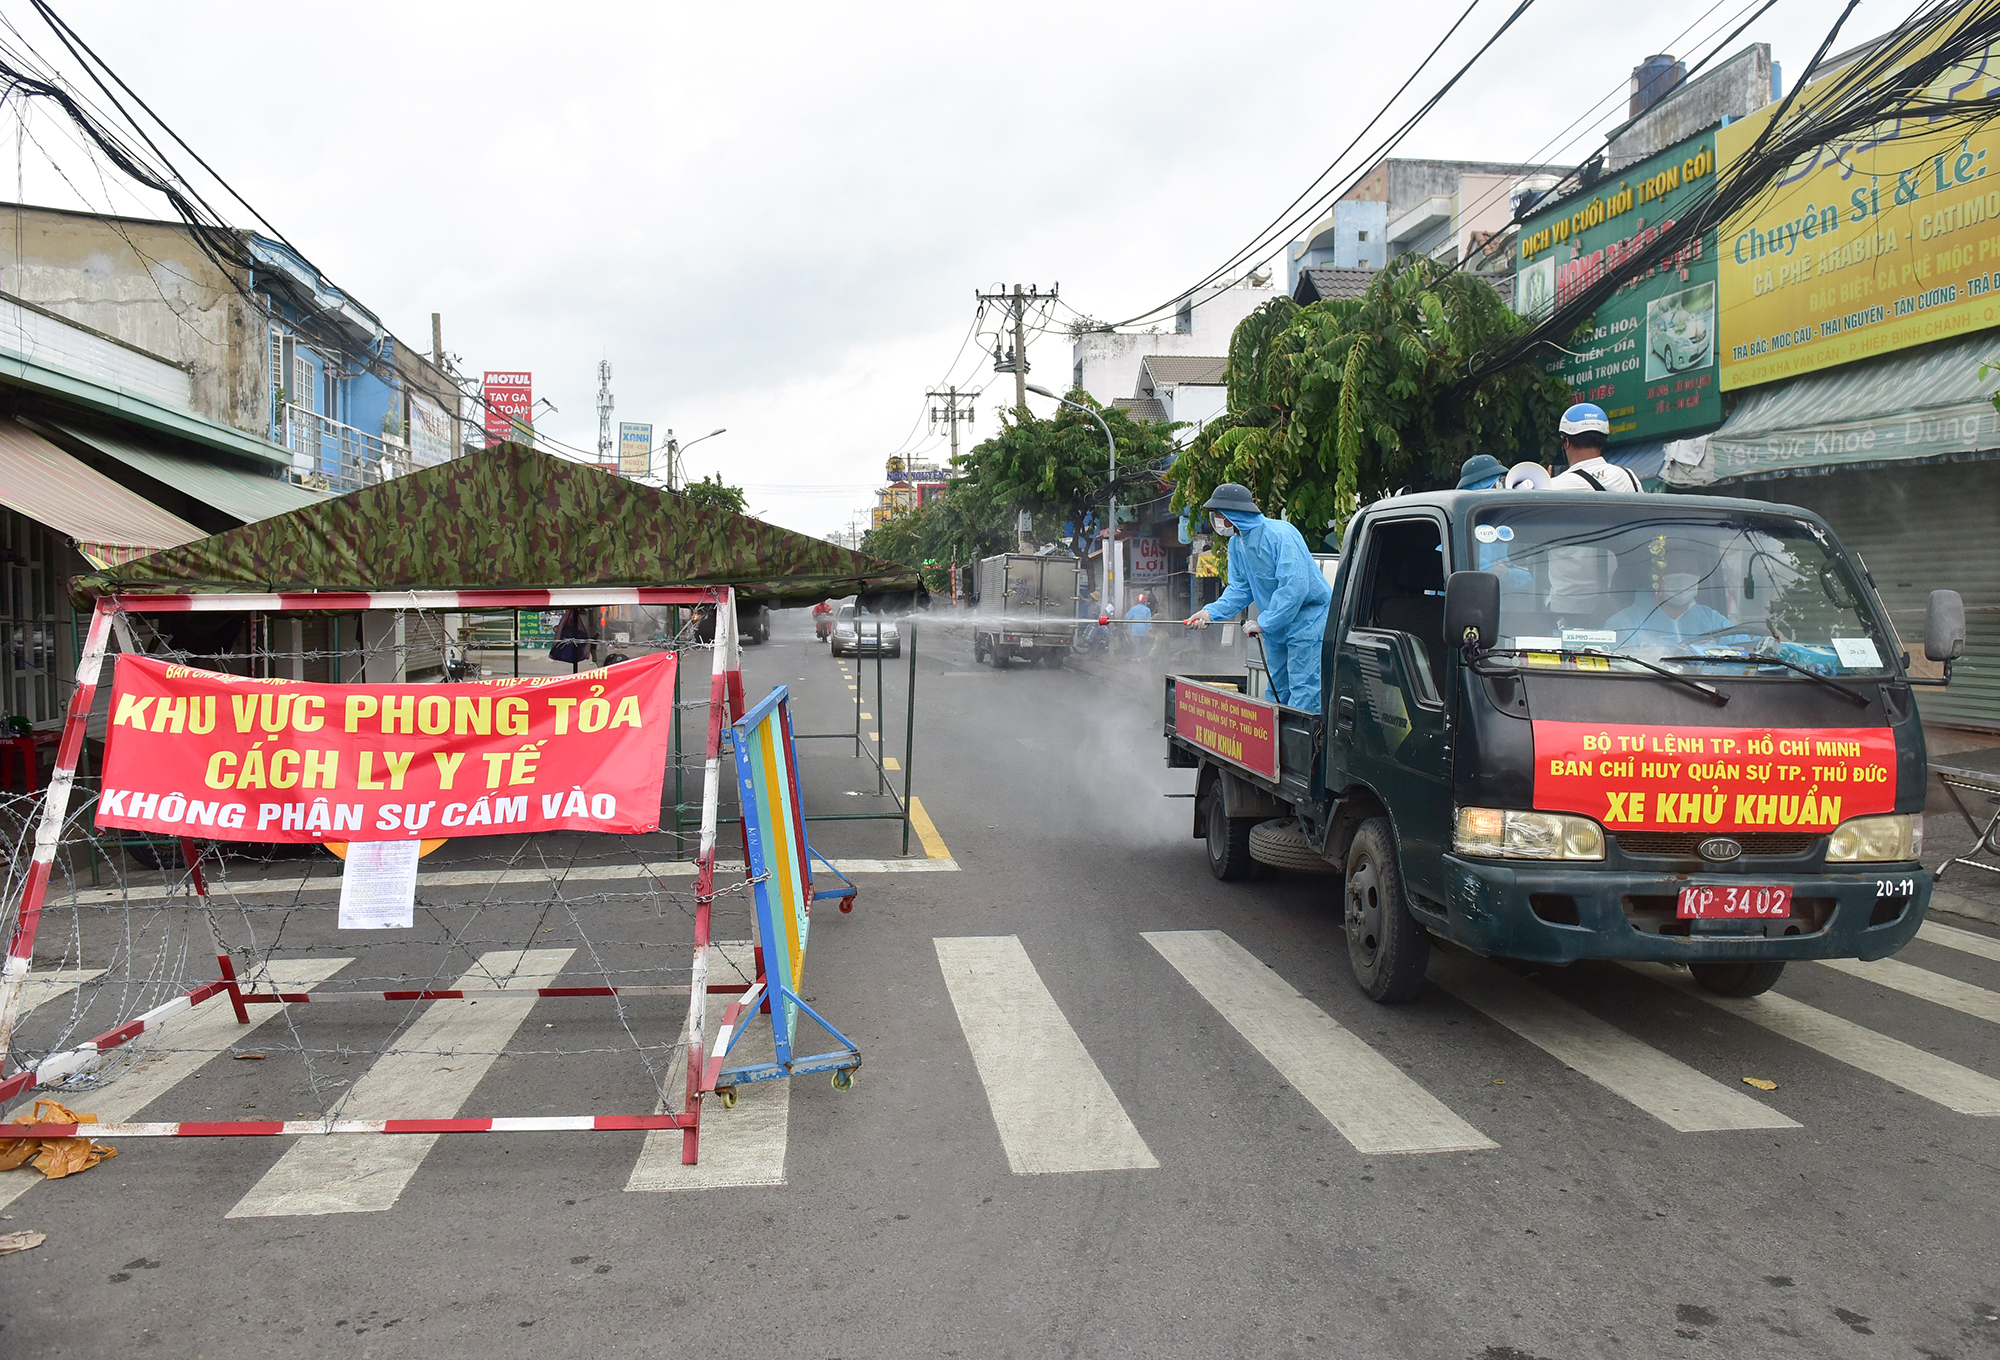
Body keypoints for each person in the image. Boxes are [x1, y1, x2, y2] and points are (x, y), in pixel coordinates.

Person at [1186, 483, 1334, 713]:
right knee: (1276, 690)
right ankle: (1276, 744)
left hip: (1307, 620)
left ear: (1231, 515)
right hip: (1276, 626)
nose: (1216, 521)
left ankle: (1301, 748)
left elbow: (1294, 587)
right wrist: (1210, 613)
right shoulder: (1237, 544)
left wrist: (1265, 622)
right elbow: (1240, 589)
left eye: (1217, 515)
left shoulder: (1280, 535)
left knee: (1304, 690)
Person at [1604, 557, 1744, 652]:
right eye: (1674, 569)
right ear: (1655, 575)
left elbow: (1748, 648)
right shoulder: (1623, 623)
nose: (1682, 575)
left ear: (1700, 576)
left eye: (1690, 570)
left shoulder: (1712, 620)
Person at [1548, 403, 1643, 492]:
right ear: (1603, 441)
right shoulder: (1629, 477)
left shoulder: (1554, 486)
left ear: (1566, 442)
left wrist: (1543, 486)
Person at [1124, 592, 1155, 657]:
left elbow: (1127, 618)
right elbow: (1148, 621)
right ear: (1145, 602)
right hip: (1144, 632)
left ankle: (1139, 658)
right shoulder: (1147, 610)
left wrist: (1125, 625)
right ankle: (1143, 658)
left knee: (1137, 646)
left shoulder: (1133, 609)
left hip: (1135, 631)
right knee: (1143, 645)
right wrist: (1150, 630)